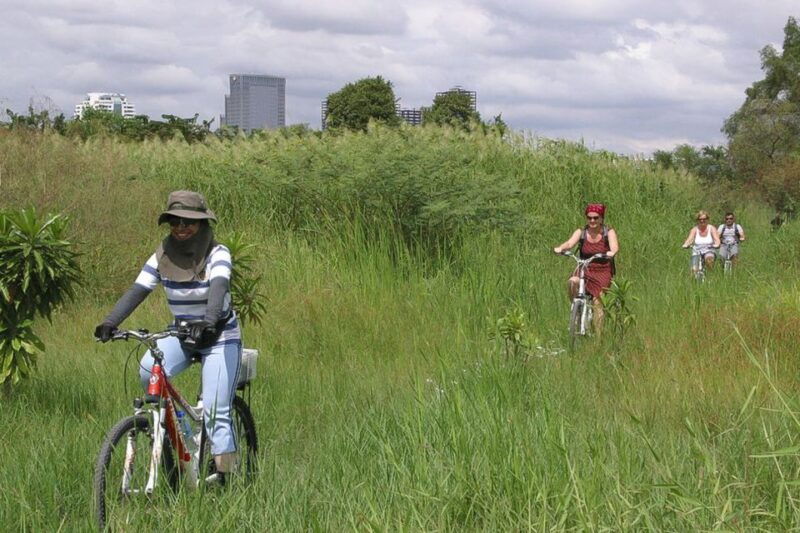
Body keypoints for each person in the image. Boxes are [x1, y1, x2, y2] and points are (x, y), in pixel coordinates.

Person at [94, 190, 241, 482]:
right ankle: (186, 435)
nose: (181, 228)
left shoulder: (217, 252)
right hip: (183, 334)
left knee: (215, 413)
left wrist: (210, 322)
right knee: (149, 369)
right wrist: (110, 321)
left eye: (189, 222)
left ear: (202, 224)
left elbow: (219, 287)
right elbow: (138, 290)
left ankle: (228, 480)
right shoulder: (162, 255)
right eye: (174, 221)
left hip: (219, 335)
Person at [553, 203, 619, 332]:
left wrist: (611, 253)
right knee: (572, 282)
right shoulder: (582, 232)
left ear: (601, 218)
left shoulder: (608, 232)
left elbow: (614, 247)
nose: (592, 221)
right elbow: (570, 243)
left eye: (595, 218)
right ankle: (576, 309)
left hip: (603, 269)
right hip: (585, 267)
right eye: (589, 218)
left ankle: (598, 339)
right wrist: (561, 248)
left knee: (597, 302)